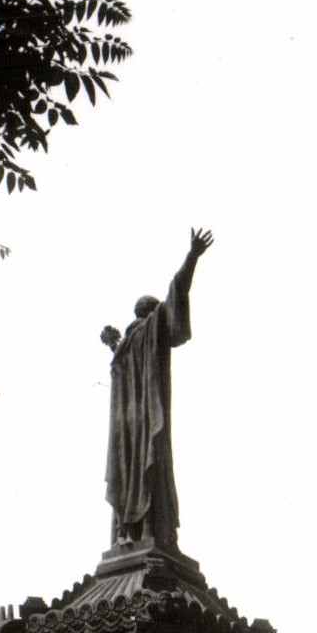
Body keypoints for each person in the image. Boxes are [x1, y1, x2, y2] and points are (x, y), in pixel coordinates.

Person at [104, 228, 213, 550]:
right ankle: (151, 532)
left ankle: (130, 534)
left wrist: (114, 346)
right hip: (149, 421)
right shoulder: (151, 331)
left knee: (134, 472)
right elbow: (177, 289)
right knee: (152, 468)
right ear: (153, 313)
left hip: (128, 432)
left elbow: (123, 370)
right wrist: (192, 256)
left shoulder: (127, 345)